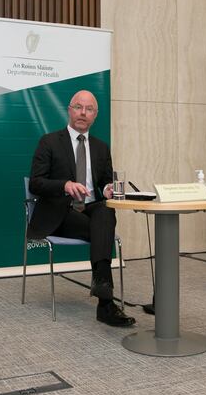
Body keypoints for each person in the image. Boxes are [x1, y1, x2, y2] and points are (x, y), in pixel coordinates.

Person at [28, 89, 135, 327]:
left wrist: (107, 189)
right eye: (78, 107)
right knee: (102, 229)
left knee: (105, 210)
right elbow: (36, 183)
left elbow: (105, 182)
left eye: (89, 109)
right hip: (59, 213)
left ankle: (102, 288)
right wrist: (65, 185)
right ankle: (105, 304)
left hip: (90, 210)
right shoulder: (49, 142)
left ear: (95, 115)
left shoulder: (101, 147)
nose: (83, 113)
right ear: (69, 110)